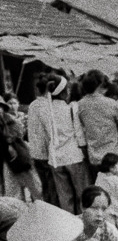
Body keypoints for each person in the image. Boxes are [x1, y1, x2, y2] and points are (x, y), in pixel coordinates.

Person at [27, 76, 91, 215]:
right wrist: (85, 151)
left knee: (64, 196)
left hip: (55, 159)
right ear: (63, 92)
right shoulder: (71, 108)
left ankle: (68, 227)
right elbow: (79, 135)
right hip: (74, 156)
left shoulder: (44, 110)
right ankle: (84, 222)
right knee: (82, 194)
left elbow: (45, 135)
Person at [77, 70, 118, 176]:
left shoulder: (80, 105)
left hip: (95, 157)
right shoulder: (110, 103)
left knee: (102, 188)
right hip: (115, 153)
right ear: (100, 84)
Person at [25, 75, 60, 206]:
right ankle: (52, 208)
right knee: (51, 185)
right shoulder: (46, 106)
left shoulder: (33, 105)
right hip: (45, 152)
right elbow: (49, 129)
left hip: (35, 151)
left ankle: (46, 207)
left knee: (44, 184)